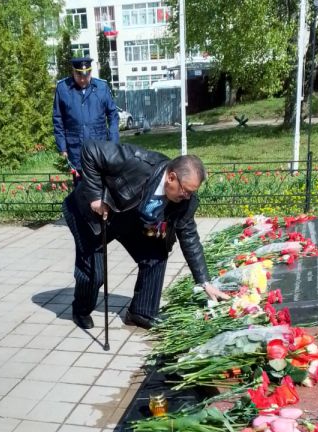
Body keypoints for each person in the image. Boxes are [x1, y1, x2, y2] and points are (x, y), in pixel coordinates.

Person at [63, 140, 229, 330]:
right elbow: (91, 150)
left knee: (156, 254)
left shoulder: (184, 201)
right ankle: (81, 310)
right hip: (92, 216)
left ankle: (141, 312)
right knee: (94, 274)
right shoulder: (138, 162)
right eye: (186, 191)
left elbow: (189, 237)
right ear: (171, 177)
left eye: (192, 192)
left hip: (131, 220)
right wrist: (95, 196)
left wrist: (205, 282)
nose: (188, 197)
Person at [52, 57, 119, 174]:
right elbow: (58, 119)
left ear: (90, 72)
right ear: (73, 72)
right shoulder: (63, 89)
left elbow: (113, 114)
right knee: (80, 184)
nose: (83, 80)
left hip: (99, 147)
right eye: (79, 76)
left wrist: (113, 142)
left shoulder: (101, 87)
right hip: (76, 150)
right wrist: (62, 147)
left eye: (86, 76)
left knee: (102, 183)